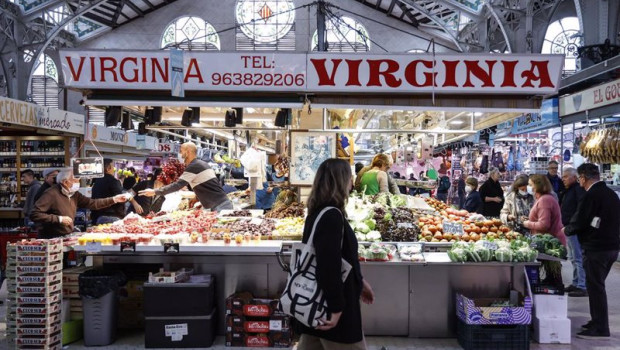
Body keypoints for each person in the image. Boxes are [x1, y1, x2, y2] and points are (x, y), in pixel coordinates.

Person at [297, 159, 374, 349]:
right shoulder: (331, 216)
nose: (352, 183)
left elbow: (337, 258)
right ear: (340, 181)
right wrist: (337, 308)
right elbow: (328, 266)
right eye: (349, 178)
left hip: (314, 302)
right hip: (331, 306)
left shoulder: (317, 213)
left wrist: (359, 281)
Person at [563, 163, 620, 340]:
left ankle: (601, 327)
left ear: (583, 178)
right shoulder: (611, 194)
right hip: (611, 247)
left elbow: (581, 219)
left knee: (595, 287)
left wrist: (567, 230)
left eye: (579, 178)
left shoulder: (592, 195)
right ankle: (596, 321)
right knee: (597, 286)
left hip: (597, 248)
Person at [30, 168, 129, 239]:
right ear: (65, 182)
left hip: (66, 235)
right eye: (76, 180)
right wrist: (59, 219)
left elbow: (92, 203)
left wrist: (114, 199)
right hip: (50, 238)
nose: (78, 182)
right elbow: (35, 214)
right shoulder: (51, 194)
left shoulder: (74, 194)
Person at [139, 142, 233, 211]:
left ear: (187, 152)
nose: (180, 154)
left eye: (181, 152)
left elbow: (178, 185)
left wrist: (155, 191)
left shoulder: (194, 166)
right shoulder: (201, 164)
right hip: (220, 204)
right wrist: (197, 197)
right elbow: (208, 185)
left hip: (220, 206)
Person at [560, 167, 587, 297]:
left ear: (573, 177)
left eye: (565, 177)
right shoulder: (569, 190)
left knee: (578, 258)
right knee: (573, 258)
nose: (563, 179)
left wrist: (572, 225)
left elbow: (580, 211)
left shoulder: (578, 190)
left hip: (574, 229)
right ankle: (576, 283)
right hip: (569, 229)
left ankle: (582, 285)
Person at [91, 159, 142, 224]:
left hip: (98, 217)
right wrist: (133, 200)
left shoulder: (96, 181)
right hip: (111, 217)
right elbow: (121, 198)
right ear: (108, 168)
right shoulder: (113, 181)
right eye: (113, 167)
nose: (114, 169)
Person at [523, 174, 566, 244]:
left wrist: (527, 223)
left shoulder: (544, 200)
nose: (528, 187)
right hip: (547, 240)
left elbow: (544, 225)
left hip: (551, 243)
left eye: (530, 185)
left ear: (537, 186)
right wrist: (530, 219)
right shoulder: (542, 198)